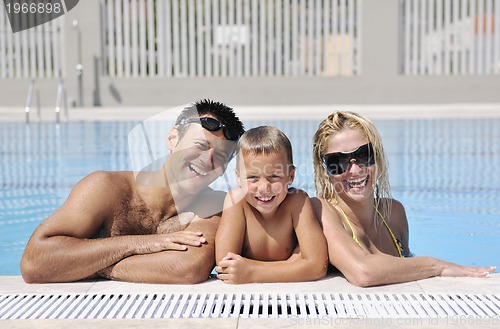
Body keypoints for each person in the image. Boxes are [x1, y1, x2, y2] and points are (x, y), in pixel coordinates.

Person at [21, 99, 245, 284]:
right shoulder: (105, 188)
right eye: (200, 145)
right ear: (172, 138)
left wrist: (88, 265)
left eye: (221, 157)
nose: (208, 160)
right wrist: (138, 244)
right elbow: (34, 263)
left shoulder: (215, 206)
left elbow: (187, 269)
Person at [311, 111, 496, 287]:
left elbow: (406, 267)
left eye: (363, 155)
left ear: (377, 154)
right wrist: (437, 266)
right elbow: (363, 272)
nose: (355, 170)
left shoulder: (394, 213)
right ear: (325, 170)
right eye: (338, 162)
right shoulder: (323, 212)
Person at [215, 126, 328, 284]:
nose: (263, 188)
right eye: (253, 177)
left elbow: (317, 266)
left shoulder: (297, 202)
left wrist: (252, 272)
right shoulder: (237, 202)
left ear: (291, 176)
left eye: (274, 176)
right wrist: (291, 264)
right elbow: (225, 265)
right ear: (238, 177)